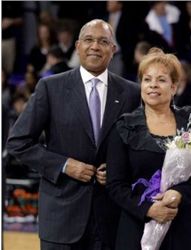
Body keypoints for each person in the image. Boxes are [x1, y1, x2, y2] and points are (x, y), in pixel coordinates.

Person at [7, 19, 140, 250]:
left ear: (113, 49)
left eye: (103, 41)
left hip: (112, 220)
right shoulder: (50, 88)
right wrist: (64, 165)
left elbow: (140, 148)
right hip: (61, 219)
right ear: (77, 46)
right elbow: (18, 143)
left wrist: (120, 169)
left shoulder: (132, 93)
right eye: (88, 40)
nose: (95, 46)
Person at [106, 48, 191, 250]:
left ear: (174, 87)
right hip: (137, 227)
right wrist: (148, 209)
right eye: (147, 80)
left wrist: (180, 194)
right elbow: (115, 185)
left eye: (161, 80)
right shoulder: (124, 126)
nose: (153, 85)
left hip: (183, 226)